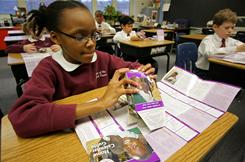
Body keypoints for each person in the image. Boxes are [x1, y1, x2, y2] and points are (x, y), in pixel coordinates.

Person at [8, 1, 155, 138]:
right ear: (56, 37)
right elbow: (23, 117)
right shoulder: (48, 69)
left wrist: (141, 70)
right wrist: (100, 103)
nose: (91, 44)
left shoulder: (102, 58)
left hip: (105, 128)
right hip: (68, 137)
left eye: (93, 35)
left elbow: (128, 66)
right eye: (79, 36)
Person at [195, 8, 245, 79]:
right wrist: (236, 49)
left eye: (232, 27)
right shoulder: (208, 39)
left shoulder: (230, 40)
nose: (230, 31)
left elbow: (242, 46)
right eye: (227, 28)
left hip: (221, 70)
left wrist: (240, 48)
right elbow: (209, 54)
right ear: (215, 27)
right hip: (204, 72)